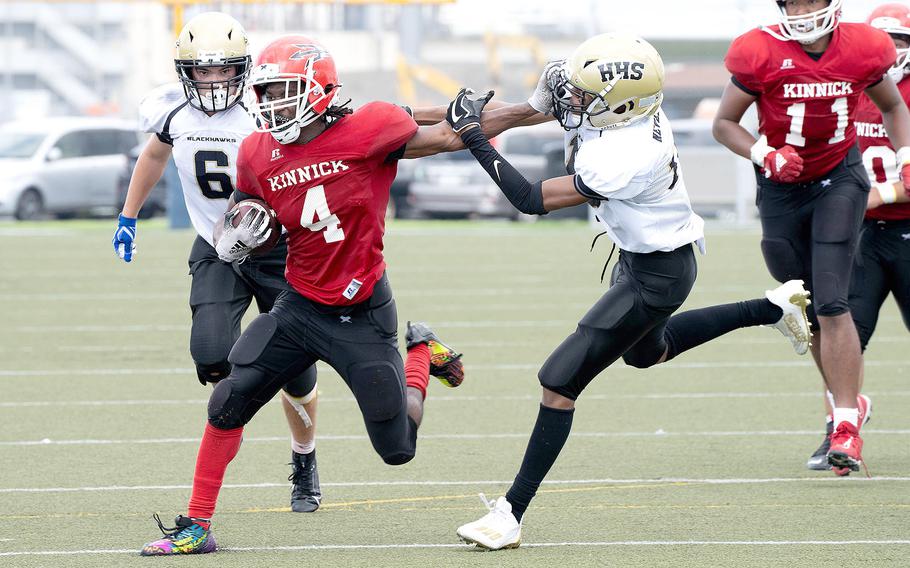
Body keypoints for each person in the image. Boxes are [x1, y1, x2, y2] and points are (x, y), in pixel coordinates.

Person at [451, 33, 813, 551]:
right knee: (650, 352)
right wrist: (504, 113)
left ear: (620, 104)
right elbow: (553, 106)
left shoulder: (627, 152)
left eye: (585, 95)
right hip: (652, 258)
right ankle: (770, 307)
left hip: (657, 275)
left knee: (558, 381)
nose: (574, 100)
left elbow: (532, 198)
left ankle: (510, 512)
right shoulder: (624, 112)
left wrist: (476, 140)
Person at [138, 34, 476, 556]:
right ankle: (197, 525)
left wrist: (535, 110)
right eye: (266, 93)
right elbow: (251, 208)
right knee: (227, 400)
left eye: (281, 91)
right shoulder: (256, 150)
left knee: (397, 450)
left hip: (362, 312)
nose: (269, 104)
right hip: (299, 304)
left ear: (317, 88)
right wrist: (245, 226)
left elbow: (452, 135)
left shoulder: (369, 129)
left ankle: (418, 352)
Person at [112, 12, 324, 516]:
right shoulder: (173, 115)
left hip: (275, 251)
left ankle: (304, 459)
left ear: (242, 70)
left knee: (296, 372)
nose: (213, 81)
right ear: (187, 73)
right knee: (211, 355)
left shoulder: (265, 114)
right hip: (215, 246)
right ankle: (237, 415)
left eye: (224, 70)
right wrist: (128, 216)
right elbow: (153, 158)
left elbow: (307, 169)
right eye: (203, 71)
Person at [712, 0, 910, 475]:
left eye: (812, 1)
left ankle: (843, 424)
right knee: (803, 301)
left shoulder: (861, 51)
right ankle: (849, 409)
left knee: (831, 303)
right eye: (794, 2)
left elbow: (893, 106)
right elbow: (724, 123)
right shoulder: (757, 51)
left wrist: (905, 157)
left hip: (841, 182)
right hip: (781, 188)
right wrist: (763, 153)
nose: (803, 11)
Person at [805, 2, 910, 472]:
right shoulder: (845, 90)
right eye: (886, 43)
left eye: (901, 42)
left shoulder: (895, 97)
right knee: (837, 332)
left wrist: (870, 195)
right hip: (859, 236)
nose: (893, 52)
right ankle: (840, 428)